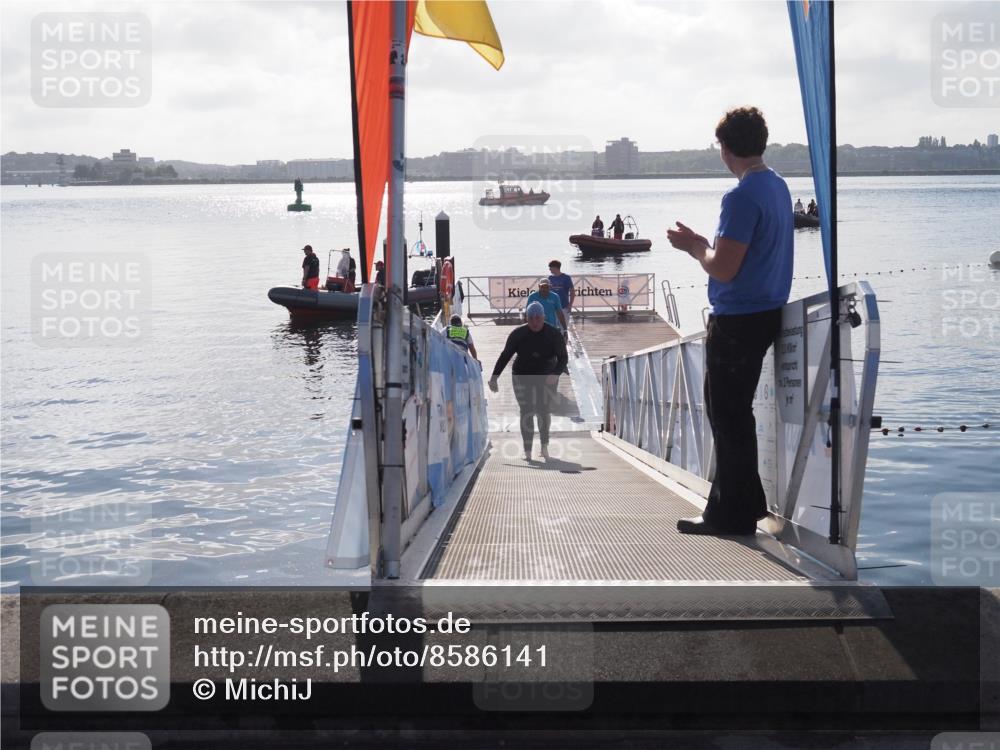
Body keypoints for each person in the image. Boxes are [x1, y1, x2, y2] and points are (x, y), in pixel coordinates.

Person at [665, 105, 793, 537]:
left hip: (738, 320)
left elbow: (723, 269)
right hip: (767, 311)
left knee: (727, 415)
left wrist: (695, 248)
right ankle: (747, 503)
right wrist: (705, 244)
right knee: (736, 415)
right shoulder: (777, 186)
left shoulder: (740, 196)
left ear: (725, 148)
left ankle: (729, 514)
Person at [488, 301, 568, 461]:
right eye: (531, 318)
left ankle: (544, 445)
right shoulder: (518, 334)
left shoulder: (553, 334)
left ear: (544, 317)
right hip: (522, 375)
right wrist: (494, 377)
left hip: (547, 376)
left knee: (543, 410)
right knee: (526, 411)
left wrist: (556, 373)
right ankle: (527, 450)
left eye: (538, 318)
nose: (535, 322)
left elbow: (563, 358)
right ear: (526, 318)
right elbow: (505, 355)